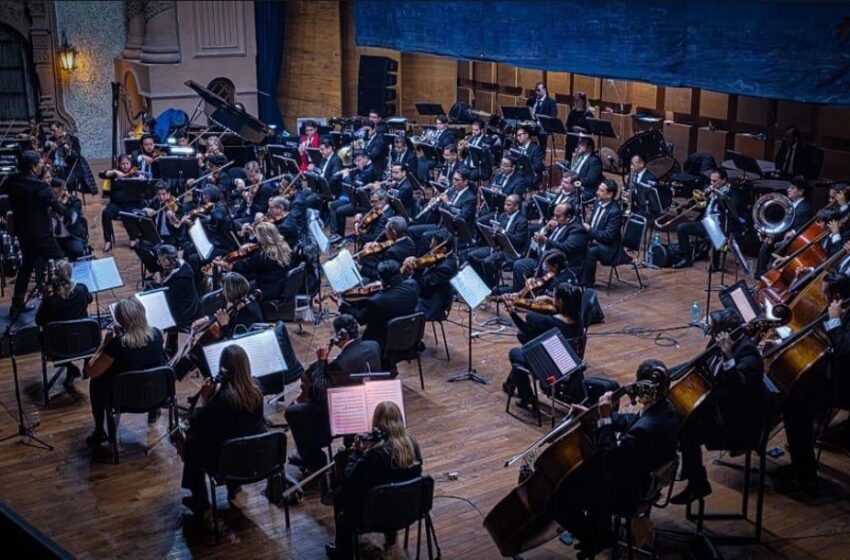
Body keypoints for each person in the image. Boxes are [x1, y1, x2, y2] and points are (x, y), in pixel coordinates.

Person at [552, 359, 679, 557]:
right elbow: (632, 420)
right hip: (647, 480)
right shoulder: (665, 409)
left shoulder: (644, 430)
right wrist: (595, 415)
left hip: (629, 494)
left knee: (559, 497)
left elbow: (610, 460)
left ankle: (597, 536)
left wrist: (604, 420)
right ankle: (597, 529)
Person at [671, 308, 765, 504]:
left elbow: (738, 388)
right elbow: (697, 364)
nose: (711, 335)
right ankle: (690, 469)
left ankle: (697, 482)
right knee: (681, 417)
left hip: (737, 423)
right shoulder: (718, 340)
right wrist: (666, 374)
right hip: (718, 408)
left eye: (715, 331)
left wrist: (729, 357)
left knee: (688, 429)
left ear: (728, 331)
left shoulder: (748, 353)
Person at [285, 314, 381, 474]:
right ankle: (348, 443)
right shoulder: (373, 346)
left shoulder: (341, 364)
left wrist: (322, 360)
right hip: (370, 406)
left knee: (293, 412)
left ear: (341, 335)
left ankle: (315, 461)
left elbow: (320, 390)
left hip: (346, 413)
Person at [327, 400, 422, 559]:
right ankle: (390, 538)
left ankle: (343, 551)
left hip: (376, 515)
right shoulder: (412, 444)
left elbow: (349, 480)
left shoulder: (376, 455)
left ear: (377, 423)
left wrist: (357, 453)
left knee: (339, 495)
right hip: (409, 509)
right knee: (392, 491)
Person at [779, 272, 850, 483]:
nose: (822, 298)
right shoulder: (841, 307)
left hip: (846, 386)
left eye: (825, 294)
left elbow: (845, 350)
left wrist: (835, 321)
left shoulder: (841, 313)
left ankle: (804, 472)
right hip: (837, 374)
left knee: (795, 405)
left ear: (836, 295)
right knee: (797, 392)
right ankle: (803, 457)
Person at [180, 345, 267, 516]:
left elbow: (197, 423)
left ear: (224, 369)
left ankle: (201, 500)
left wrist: (205, 398)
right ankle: (234, 487)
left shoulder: (222, 400)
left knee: (192, 443)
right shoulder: (257, 388)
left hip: (226, 462)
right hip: (255, 457)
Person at [84, 297, 166, 451]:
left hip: (124, 398)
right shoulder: (157, 335)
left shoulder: (117, 345)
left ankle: (100, 431)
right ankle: (154, 411)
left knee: (95, 382)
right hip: (155, 395)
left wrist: (103, 345)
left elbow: (91, 371)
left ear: (121, 321)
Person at [2, 150, 67, 318]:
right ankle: (67, 301)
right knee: (62, 264)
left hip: (23, 233)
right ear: (32, 166)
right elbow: (55, 206)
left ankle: (16, 306)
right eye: (39, 163)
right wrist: (70, 214)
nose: (42, 165)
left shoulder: (11, 181)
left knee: (25, 269)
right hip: (42, 235)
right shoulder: (40, 186)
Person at [504, 283, 584, 412]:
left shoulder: (548, 322)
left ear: (562, 302)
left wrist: (512, 312)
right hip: (569, 364)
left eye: (554, 296)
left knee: (515, 353)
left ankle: (527, 397)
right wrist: (553, 301)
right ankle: (509, 384)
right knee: (525, 340)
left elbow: (525, 326)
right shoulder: (579, 320)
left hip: (550, 369)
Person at [337, 259, 419, 362]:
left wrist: (342, 305)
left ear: (382, 279)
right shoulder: (413, 288)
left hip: (383, 344)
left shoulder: (377, 301)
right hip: (409, 340)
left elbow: (360, 319)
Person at [35, 259, 93, 386]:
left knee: (42, 335)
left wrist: (45, 297)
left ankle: (70, 367)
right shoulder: (82, 289)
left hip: (59, 348)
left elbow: (38, 320)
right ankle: (87, 361)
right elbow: (89, 299)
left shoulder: (51, 299)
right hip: (85, 343)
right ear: (71, 274)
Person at [672, 168, 733, 270]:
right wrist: (697, 202)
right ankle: (686, 257)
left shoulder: (730, 193)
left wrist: (718, 195)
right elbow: (701, 207)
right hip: (705, 222)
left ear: (724, 180)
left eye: (715, 181)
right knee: (681, 227)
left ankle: (715, 263)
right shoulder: (709, 190)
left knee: (716, 235)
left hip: (719, 226)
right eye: (711, 180)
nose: (711, 183)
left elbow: (731, 211)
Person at [147, 244, 201, 355]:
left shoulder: (180, 278)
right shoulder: (183, 266)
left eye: (160, 260)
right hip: (186, 305)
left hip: (185, 313)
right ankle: (170, 344)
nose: (158, 263)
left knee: (151, 314)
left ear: (167, 261)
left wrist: (157, 284)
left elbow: (163, 300)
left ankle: (155, 349)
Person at [514, 202, 587, 284]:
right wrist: (545, 230)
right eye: (554, 215)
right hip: (544, 259)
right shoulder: (560, 222)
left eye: (558, 216)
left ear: (568, 217)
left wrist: (546, 241)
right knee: (520, 264)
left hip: (561, 265)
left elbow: (566, 248)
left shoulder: (577, 230)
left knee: (521, 265)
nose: (554, 218)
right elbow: (549, 238)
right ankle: (520, 293)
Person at [468, 194, 529, 289]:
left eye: (509, 205)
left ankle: (489, 287)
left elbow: (518, 241)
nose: (505, 207)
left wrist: (503, 233)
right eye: (505, 204)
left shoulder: (522, 221)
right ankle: (480, 282)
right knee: (472, 255)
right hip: (497, 247)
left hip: (510, 252)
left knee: (488, 261)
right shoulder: (503, 216)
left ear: (516, 206)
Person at [220, 222, 292, 302]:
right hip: (280, 286)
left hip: (265, 290)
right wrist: (251, 239)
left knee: (237, 288)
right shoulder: (284, 247)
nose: (257, 238)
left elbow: (243, 269)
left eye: (257, 236)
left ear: (263, 238)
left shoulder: (262, 256)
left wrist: (229, 266)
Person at [755, 177, 813, 277]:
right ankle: (760, 275)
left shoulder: (805, 208)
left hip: (789, 241)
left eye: (792, 188)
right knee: (764, 248)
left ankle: (763, 276)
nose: (788, 190)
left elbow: (802, 227)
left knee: (766, 249)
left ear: (801, 191)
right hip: (781, 235)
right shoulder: (790, 204)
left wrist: (793, 232)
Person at [404, 231, 458, 321]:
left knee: (402, 306)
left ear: (443, 249)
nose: (430, 247)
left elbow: (424, 287)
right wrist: (415, 260)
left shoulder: (446, 268)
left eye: (433, 245)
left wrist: (416, 268)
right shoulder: (442, 256)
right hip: (428, 294)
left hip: (433, 304)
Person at [581, 180, 624, 288]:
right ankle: (577, 276)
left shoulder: (615, 212)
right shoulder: (597, 203)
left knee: (591, 251)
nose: (597, 192)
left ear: (610, 194)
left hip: (609, 248)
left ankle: (588, 284)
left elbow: (608, 237)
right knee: (576, 241)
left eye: (601, 190)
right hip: (596, 240)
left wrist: (590, 230)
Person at [99, 153, 143, 253]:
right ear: (119, 165)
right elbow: (101, 174)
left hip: (130, 203)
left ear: (131, 164)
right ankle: (108, 241)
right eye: (122, 164)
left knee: (127, 214)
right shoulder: (115, 174)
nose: (125, 166)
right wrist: (114, 171)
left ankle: (132, 238)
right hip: (115, 204)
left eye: (127, 163)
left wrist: (138, 179)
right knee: (106, 213)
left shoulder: (135, 174)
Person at [357, 216, 416, 283]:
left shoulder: (392, 252)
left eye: (386, 229)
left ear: (394, 232)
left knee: (363, 270)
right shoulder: (409, 240)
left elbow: (382, 272)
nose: (385, 232)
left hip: (392, 279)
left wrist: (361, 267)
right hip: (402, 274)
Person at [526, 81, 558, 150]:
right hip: (531, 125)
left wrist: (539, 123)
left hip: (542, 127)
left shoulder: (551, 102)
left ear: (545, 90)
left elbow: (553, 117)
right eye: (536, 90)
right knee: (521, 131)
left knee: (542, 134)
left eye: (538, 90)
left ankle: (541, 156)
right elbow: (526, 113)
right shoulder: (531, 100)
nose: (536, 93)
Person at [572, 137, 603, 202]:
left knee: (570, 199)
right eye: (579, 144)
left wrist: (574, 182)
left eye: (582, 144)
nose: (579, 146)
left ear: (589, 147)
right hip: (575, 186)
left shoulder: (595, 161)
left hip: (587, 190)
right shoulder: (579, 156)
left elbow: (590, 180)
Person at [565, 91, 594, 158]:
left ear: (583, 101)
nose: (576, 102)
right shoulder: (572, 112)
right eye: (575, 100)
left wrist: (582, 129)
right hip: (571, 140)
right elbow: (567, 126)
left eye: (578, 100)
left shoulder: (588, 114)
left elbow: (591, 130)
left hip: (583, 142)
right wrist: (572, 128)